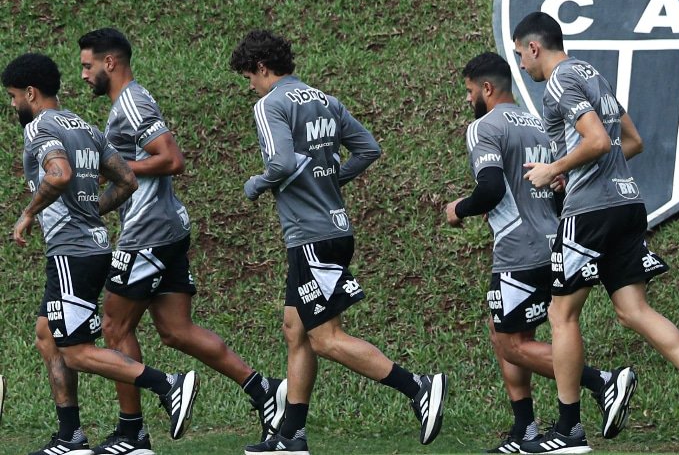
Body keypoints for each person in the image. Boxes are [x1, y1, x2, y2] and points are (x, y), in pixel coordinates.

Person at [509, 12, 679, 453]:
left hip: (590, 213)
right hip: (628, 204)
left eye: (521, 55)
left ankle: (569, 430)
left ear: (535, 47)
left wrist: (554, 169)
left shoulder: (559, 80)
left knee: (561, 316)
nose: (521, 64)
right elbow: (629, 141)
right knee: (633, 310)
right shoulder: (593, 74)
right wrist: (572, 173)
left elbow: (596, 141)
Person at [229, 30, 447, 455]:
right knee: (296, 329)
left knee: (325, 337)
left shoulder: (269, 104)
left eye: (248, 78)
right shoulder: (325, 100)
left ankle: (418, 387)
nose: (249, 87)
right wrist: (329, 181)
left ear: (260, 68)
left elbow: (280, 162)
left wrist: (256, 185)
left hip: (310, 234)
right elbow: (368, 149)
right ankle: (291, 435)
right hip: (334, 228)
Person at [77, 28, 287, 454]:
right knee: (176, 330)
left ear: (110, 63)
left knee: (115, 326)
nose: (83, 75)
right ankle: (264, 390)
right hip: (164, 228)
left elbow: (172, 159)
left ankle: (132, 433)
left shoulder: (133, 102)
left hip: (149, 232)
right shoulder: (125, 104)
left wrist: (114, 166)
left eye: (87, 65)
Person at [3, 53, 200, 455]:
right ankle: (70, 436)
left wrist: (27, 214)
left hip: (71, 255)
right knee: (47, 335)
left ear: (30, 92)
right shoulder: (83, 125)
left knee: (75, 352)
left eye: (11, 97)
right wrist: (91, 211)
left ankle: (168, 384)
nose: (11, 106)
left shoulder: (40, 127)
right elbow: (126, 179)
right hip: (94, 247)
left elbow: (58, 174)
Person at [444, 52, 637, 453]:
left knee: (509, 342)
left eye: (468, 91)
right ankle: (524, 430)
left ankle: (600, 382)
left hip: (517, 249)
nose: (467, 100)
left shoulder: (483, 127)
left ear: (486, 88)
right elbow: (558, 186)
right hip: (552, 242)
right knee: (509, 334)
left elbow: (492, 188)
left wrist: (458, 209)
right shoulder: (537, 123)